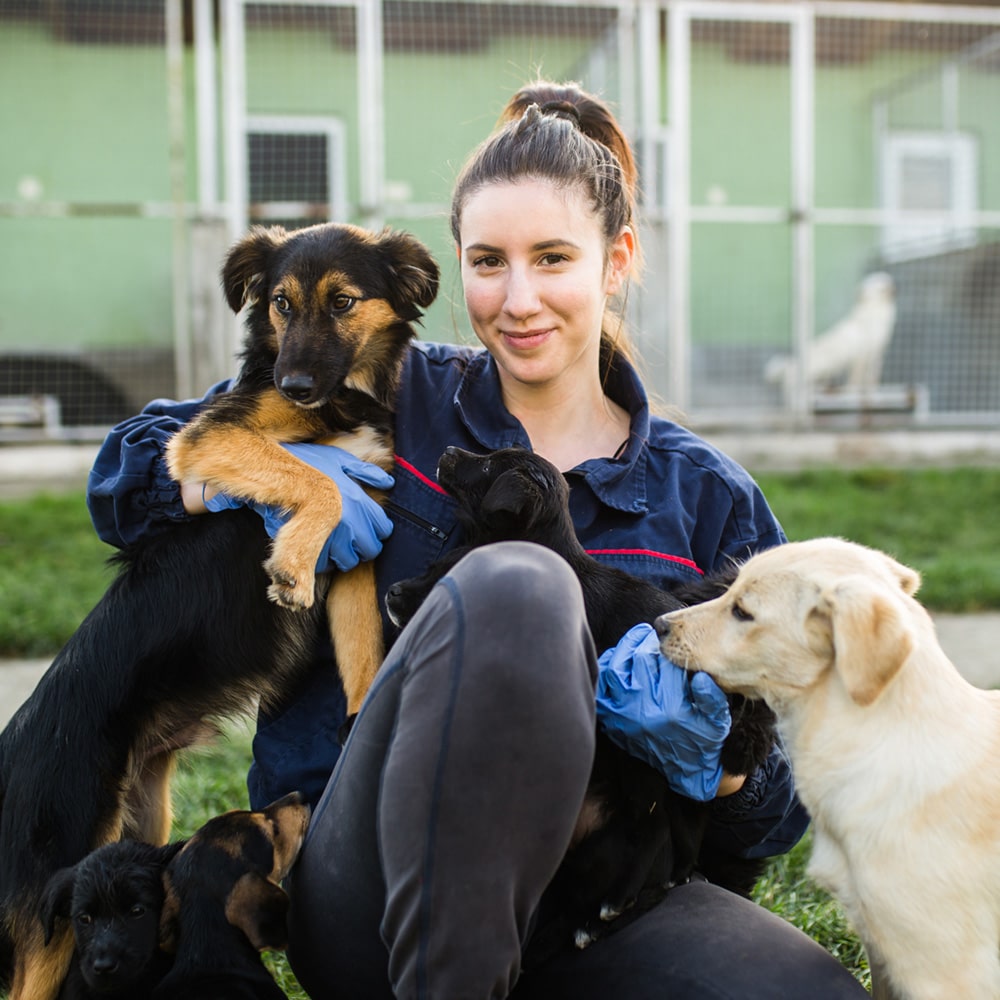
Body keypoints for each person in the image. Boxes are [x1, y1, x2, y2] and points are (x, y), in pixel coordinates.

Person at [87, 82, 868, 999]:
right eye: (489, 262)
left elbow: (777, 807)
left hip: (596, 903)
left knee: (803, 994)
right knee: (522, 588)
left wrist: (717, 766)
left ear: (617, 260)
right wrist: (275, 481)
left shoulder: (707, 500)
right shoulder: (381, 396)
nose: (519, 298)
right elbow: (126, 474)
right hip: (370, 884)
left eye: (552, 258)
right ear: (455, 266)